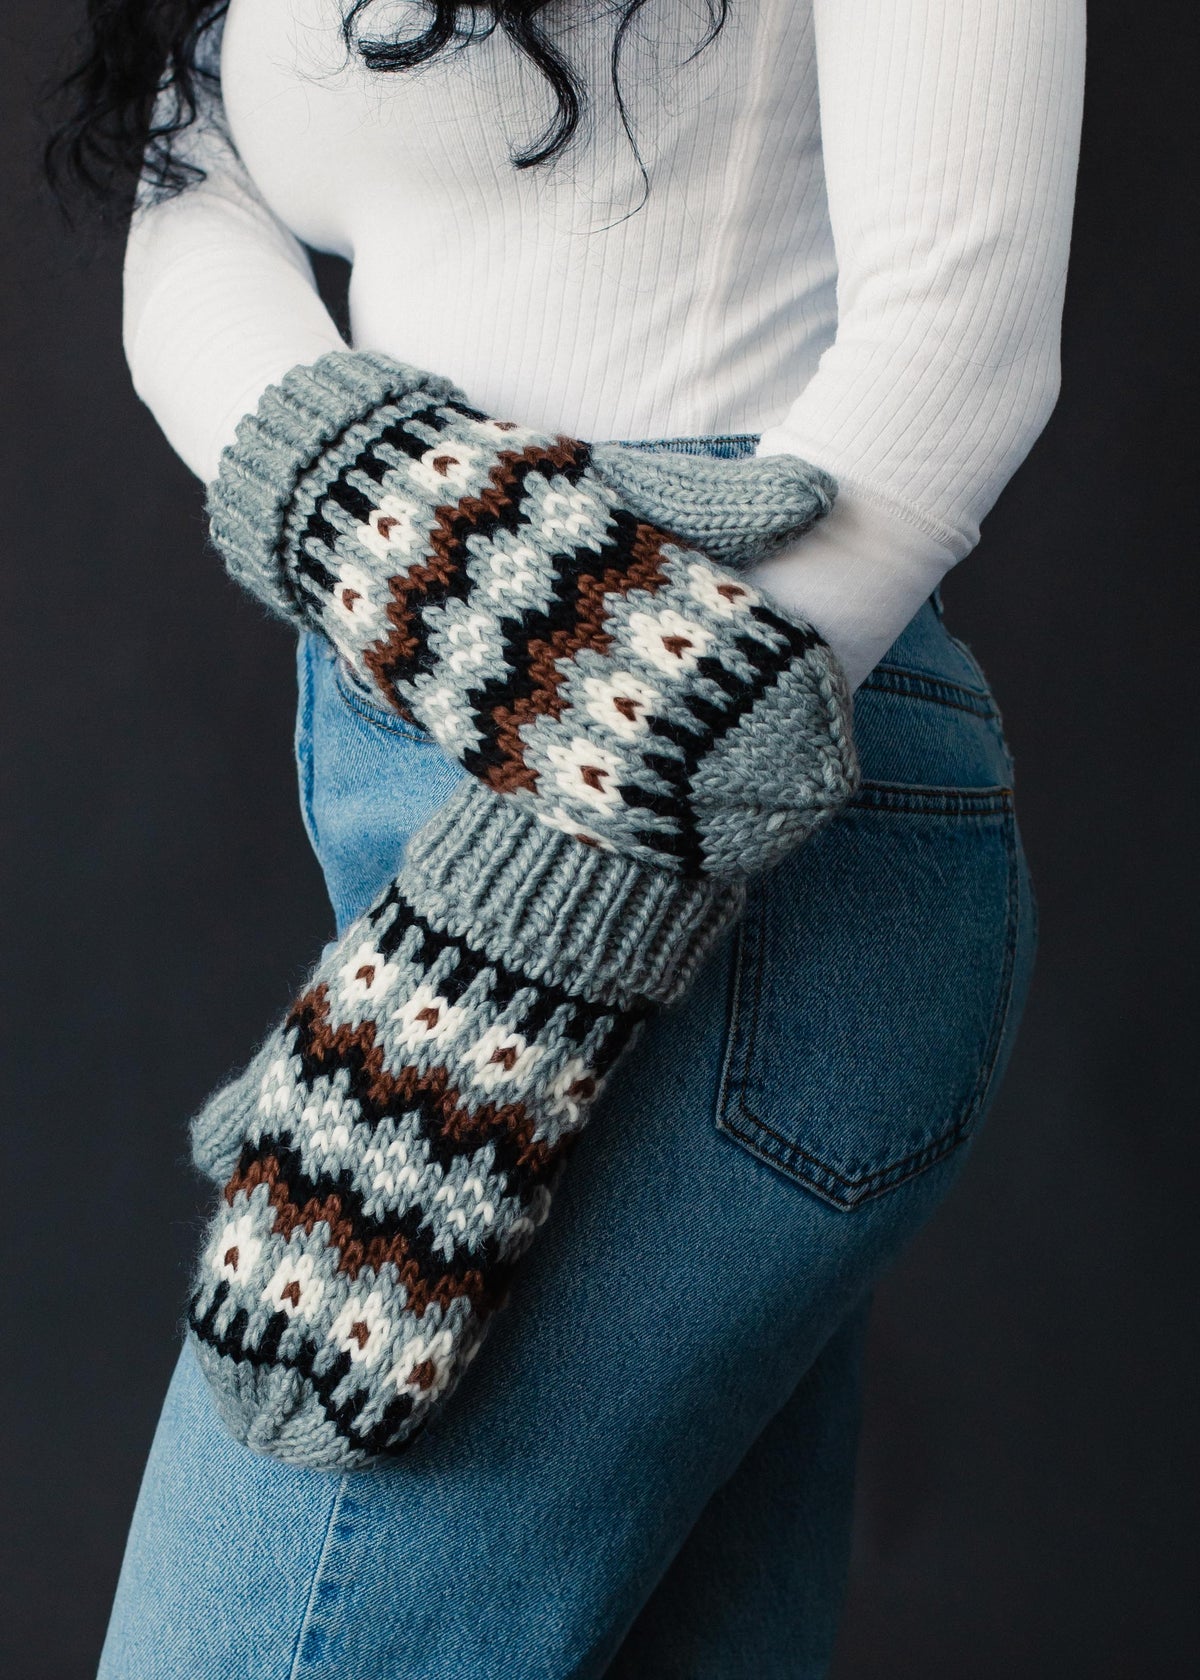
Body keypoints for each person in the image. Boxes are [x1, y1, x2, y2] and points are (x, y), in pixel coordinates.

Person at [53, 2, 1084, 1674]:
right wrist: (381, 504)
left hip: (756, 844)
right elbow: (196, 200)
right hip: (460, 747)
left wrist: (582, 826)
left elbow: (963, 327)